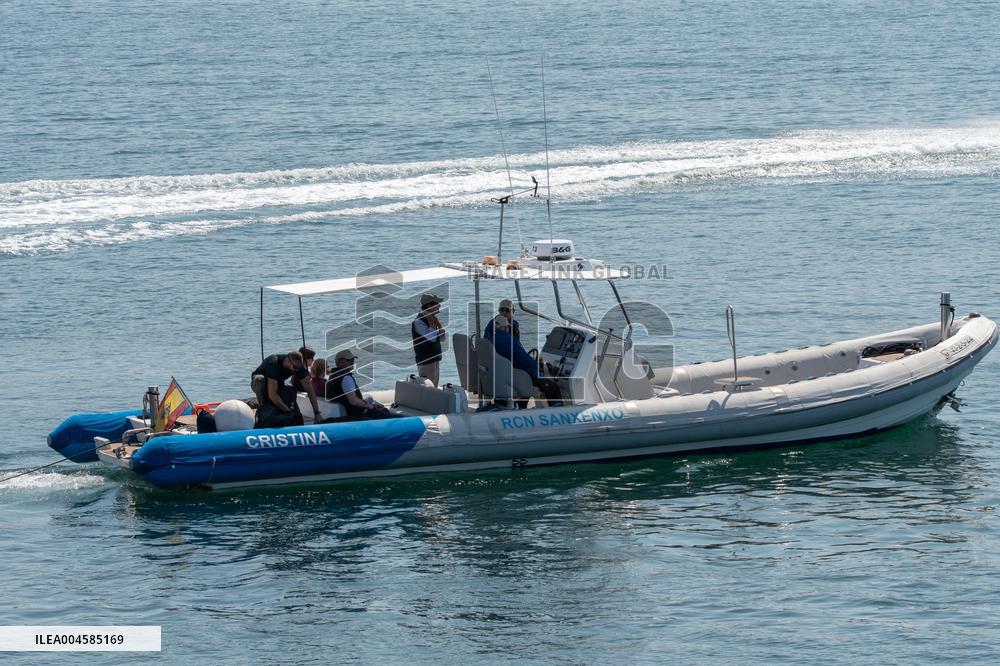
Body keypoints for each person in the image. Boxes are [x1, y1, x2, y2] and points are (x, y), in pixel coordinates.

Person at [490, 316, 562, 407]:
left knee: (526, 384)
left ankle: (521, 408)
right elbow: (525, 359)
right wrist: (539, 367)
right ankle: (558, 412)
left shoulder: (490, 340)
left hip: (502, 376)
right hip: (518, 375)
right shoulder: (511, 341)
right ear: (505, 328)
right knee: (552, 387)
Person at [250, 350, 322, 428]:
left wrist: (317, 412)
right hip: (261, 383)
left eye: (298, 368)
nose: (296, 370)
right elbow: (272, 395)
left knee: (290, 390)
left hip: (278, 383)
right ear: (288, 361)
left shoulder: (297, 366)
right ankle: (262, 409)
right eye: (294, 368)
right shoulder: (273, 363)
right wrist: (288, 411)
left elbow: (310, 389)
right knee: (260, 379)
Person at [326, 349, 396, 420]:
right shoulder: (346, 378)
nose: (352, 362)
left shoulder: (333, 376)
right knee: (392, 417)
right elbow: (353, 401)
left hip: (347, 412)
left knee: (380, 408)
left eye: (353, 360)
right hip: (358, 414)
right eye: (350, 360)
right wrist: (369, 406)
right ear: (340, 362)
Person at [412, 292, 445, 386]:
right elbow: (432, 338)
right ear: (429, 306)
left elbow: (442, 339)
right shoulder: (418, 322)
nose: (439, 306)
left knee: (434, 387)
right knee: (428, 388)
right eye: (436, 304)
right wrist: (431, 321)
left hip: (435, 359)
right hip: (426, 362)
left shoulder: (433, 319)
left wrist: (439, 326)